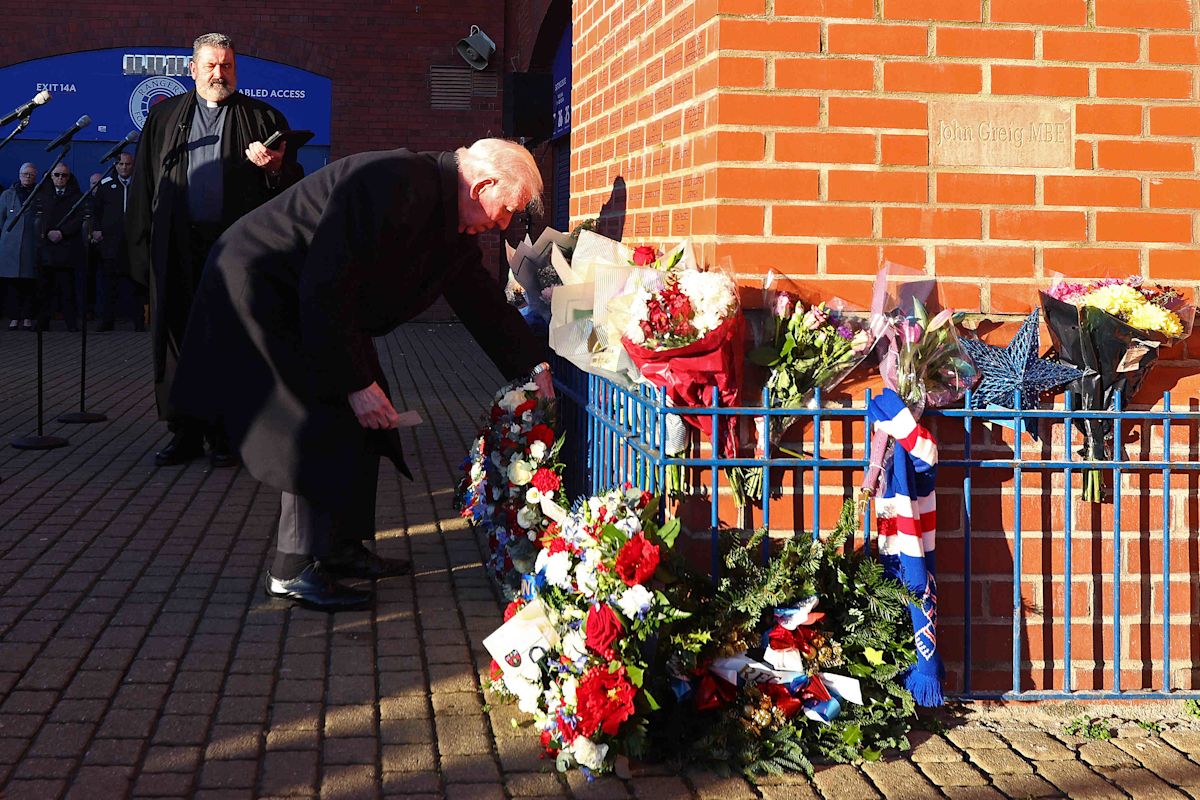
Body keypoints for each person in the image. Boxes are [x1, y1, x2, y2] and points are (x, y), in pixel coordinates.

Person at [171, 138, 551, 612]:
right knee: (312, 415)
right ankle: (291, 570)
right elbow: (325, 284)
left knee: (374, 412)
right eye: (506, 210)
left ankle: (340, 549)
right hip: (262, 288)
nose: (504, 225)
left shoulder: (446, 217)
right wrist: (353, 383)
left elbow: (480, 300)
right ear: (483, 186)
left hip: (312, 300)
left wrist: (534, 366)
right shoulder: (392, 180)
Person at [126, 32, 302, 467]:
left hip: (236, 251)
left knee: (234, 339)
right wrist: (140, 250)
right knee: (179, 340)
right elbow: (146, 185)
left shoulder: (264, 117)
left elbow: (292, 184)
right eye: (210, 66)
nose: (218, 74)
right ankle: (185, 433)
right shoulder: (164, 117)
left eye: (226, 66)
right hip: (177, 247)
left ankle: (228, 435)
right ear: (192, 69)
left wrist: (277, 167)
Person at [92, 153, 144, 331]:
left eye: (128, 164)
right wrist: (96, 229)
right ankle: (107, 321)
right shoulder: (106, 186)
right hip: (110, 244)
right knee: (108, 285)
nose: (124, 167)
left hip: (133, 244)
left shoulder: (140, 185)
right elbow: (95, 211)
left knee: (135, 284)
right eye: (121, 164)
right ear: (115, 165)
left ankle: (138, 322)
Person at [36, 163, 84, 331]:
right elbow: (39, 218)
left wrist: (62, 232)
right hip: (47, 249)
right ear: (50, 176)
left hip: (67, 247)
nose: (60, 178)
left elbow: (79, 219)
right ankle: (43, 322)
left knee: (67, 290)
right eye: (57, 175)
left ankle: (71, 324)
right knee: (44, 290)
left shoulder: (77, 196)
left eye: (64, 175)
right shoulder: (42, 195)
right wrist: (48, 232)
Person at [0, 163, 40, 330]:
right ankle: (14, 317)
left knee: (29, 284)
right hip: (10, 246)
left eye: (30, 174)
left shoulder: (40, 194)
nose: (27, 177)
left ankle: (27, 317)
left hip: (31, 245)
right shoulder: (7, 194)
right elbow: (1, 219)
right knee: (12, 285)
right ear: (19, 174)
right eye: (25, 174)